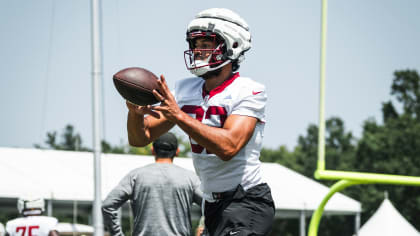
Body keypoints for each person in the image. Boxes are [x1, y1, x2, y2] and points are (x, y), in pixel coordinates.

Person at [126, 8, 275, 236]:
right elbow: (140, 138)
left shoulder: (249, 90)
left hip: (246, 200)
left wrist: (179, 116)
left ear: (231, 46)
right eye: (195, 45)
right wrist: (135, 114)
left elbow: (229, 147)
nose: (198, 51)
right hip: (211, 204)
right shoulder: (186, 90)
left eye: (206, 44)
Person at [102, 132, 203, 236]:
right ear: (177, 152)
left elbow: (107, 205)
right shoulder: (190, 178)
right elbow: (211, 205)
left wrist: (117, 234)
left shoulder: (136, 176)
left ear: (153, 150)